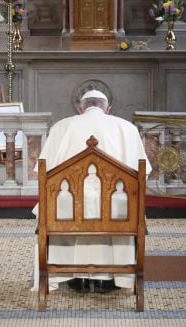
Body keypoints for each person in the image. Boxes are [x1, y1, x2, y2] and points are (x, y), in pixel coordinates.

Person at [33, 89, 152, 294]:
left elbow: (42, 174)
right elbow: (144, 175)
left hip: (67, 212)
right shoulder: (127, 128)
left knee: (61, 202)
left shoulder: (61, 127)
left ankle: (75, 278)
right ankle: (112, 279)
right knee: (120, 202)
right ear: (108, 109)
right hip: (117, 215)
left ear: (80, 109)